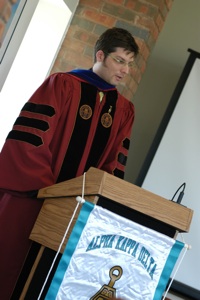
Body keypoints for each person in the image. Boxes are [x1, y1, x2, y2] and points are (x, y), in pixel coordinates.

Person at [0, 27, 139, 299]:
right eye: (119, 61)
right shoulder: (62, 84)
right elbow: (30, 139)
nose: (125, 70)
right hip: (33, 199)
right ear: (100, 55)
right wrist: (50, 192)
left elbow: (114, 166)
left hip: (76, 214)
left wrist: (95, 201)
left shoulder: (123, 110)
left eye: (130, 64)